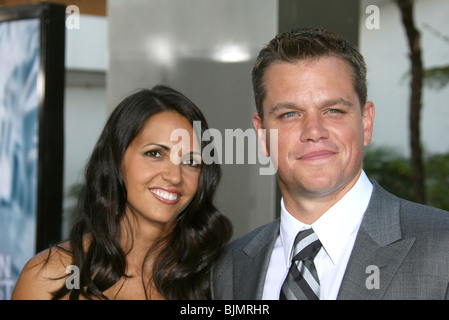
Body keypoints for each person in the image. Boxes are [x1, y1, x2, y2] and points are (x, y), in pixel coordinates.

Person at [210, 27, 449, 300]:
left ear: (366, 122)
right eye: (289, 114)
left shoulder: (443, 248)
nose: (314, 131)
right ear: (263, 135)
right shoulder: (229, 270)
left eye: (333, 111)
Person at [12, 85, 232, 300]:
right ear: (116, 161)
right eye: (155, 153)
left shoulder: (221, 278)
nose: (175, 176)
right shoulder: (51, 276)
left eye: (191, 161)